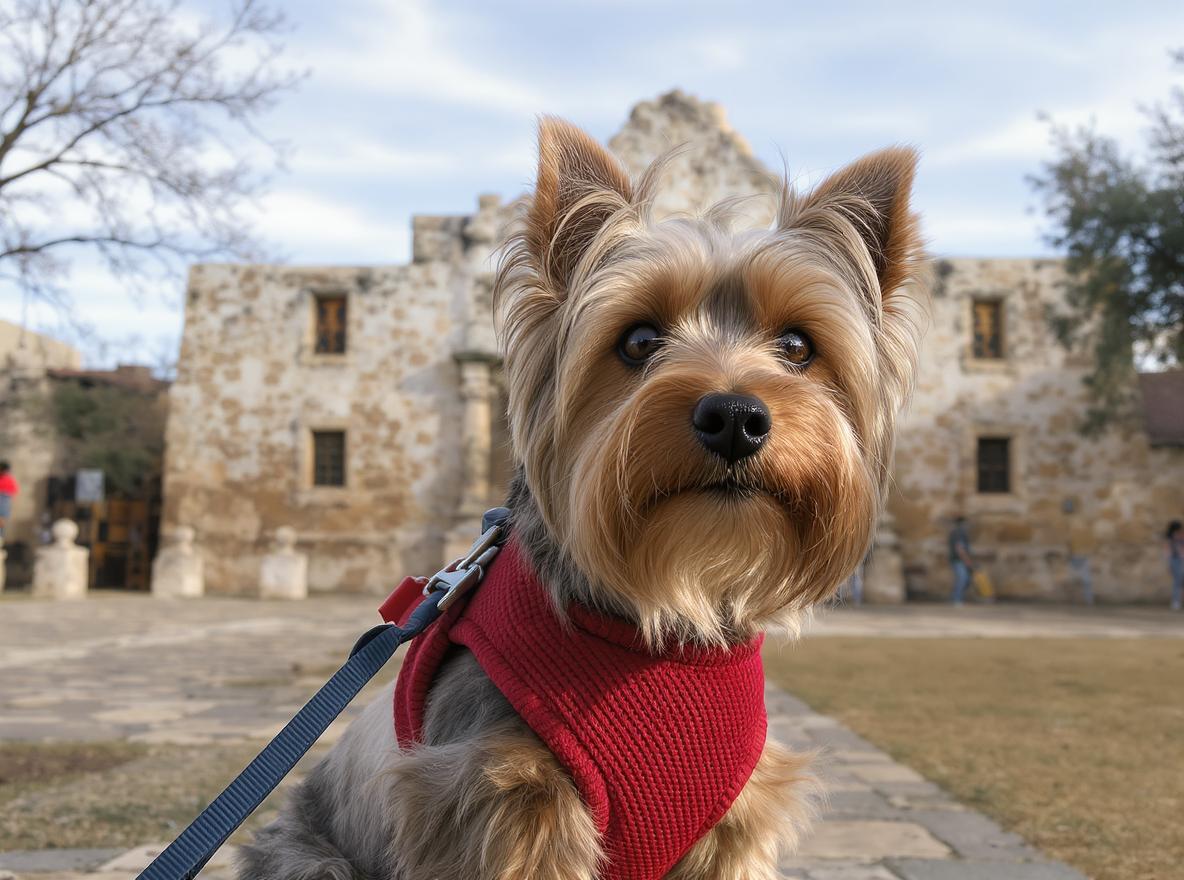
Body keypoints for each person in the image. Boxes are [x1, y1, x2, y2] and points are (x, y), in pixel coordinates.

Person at [1067, 521, 1096, 606]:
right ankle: (1086, 600)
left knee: (1080, 581)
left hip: (1078, 557)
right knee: (1084, 581)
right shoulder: (1080, 536)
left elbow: (1069, 546)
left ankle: (1084, 600)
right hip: (1079, 557)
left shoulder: (1075, 536)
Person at [948, 515, 974, 605]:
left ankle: (957, 598)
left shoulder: (955, 532)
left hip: (957, 560)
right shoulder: (959, 533)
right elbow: (960, 548)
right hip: (958, 560)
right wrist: (967, 561)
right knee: (963, 579)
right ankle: (956, 599)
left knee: (964, 579)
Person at [1167, 521, 1183, 612]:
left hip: (1180, 560)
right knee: (1178, 581)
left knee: (1180, 581)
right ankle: (1176, 601)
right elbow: (1168, 551)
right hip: (1175, 560)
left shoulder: (1180, 537)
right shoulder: (1171, 539)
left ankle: (1178, 601)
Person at [0, 461, 19, 541]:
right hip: (4, 502)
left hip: (4, 501)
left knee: (1, 523)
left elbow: (14, 490)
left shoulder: (8, 479)